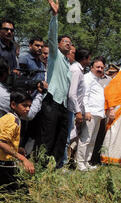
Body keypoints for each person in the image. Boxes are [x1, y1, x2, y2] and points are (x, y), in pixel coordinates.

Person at [34, 0, 73, 168]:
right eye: (65, 41)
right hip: (51, 101)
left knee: (61, 136)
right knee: (47, 137)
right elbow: (51, 35)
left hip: (63, 105)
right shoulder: (54, 56)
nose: (68, 44)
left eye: (70, 43)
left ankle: (55, 167)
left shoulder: (68, 64)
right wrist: (55, 16)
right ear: (57, 45)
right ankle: (41, 167)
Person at [0, 90, 35, 192]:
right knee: (22, 196)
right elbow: (1, 142)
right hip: (3, 165)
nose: (28, 109)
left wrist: (17, 149)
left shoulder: (10, 118)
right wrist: (23, 159)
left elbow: (6, 141)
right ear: (13, 104)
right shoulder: (12, 120)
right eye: (24, 106)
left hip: (5, 164)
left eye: (29, 106)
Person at [75, 57, 106, 171]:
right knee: (85, 139)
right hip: (90, 113)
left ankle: (87, 161)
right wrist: (86, 111)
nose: (100, 69)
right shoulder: (87, 78)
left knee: (92, 140)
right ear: (91, 67)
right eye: (97, 67)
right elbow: (84, 96)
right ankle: (80, 163)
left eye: (102, 67)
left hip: (98, 113)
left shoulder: (98, 80)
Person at [65, 47, 91, 166]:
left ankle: (67, 161)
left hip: (75, 109)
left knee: (73, 137)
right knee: (68, 137)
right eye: (89, 58)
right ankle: (62, 163)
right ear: (84, 59)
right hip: (70, 109)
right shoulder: (75, 70)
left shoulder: (80, 70)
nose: (90, 61)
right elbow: (72, 93)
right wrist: (77, 112)